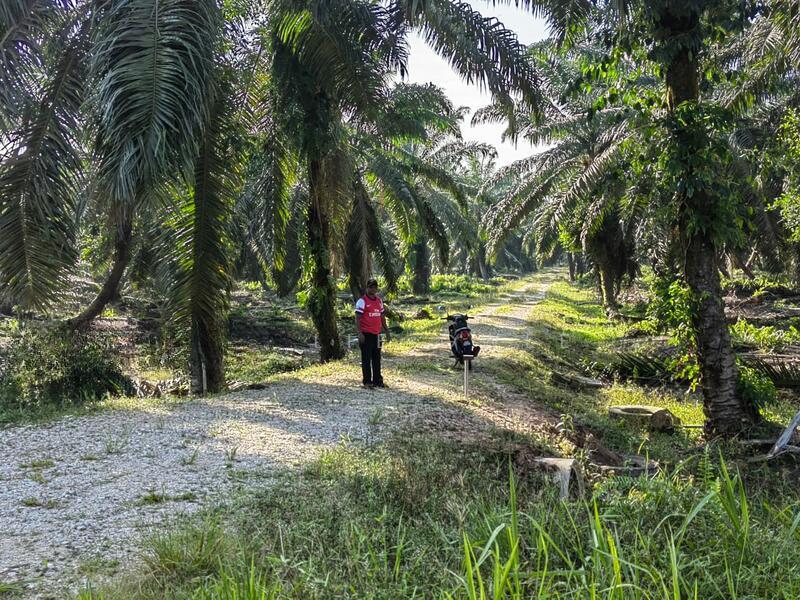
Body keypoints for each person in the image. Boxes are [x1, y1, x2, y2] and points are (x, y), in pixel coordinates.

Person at [355, 278, 391, 388]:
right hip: (366, 334)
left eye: (375, 287)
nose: (373, 289)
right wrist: (360, 333)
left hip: (377, 334)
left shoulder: (379, 301)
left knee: (377, 358)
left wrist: (386, 330)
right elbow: (357, 318)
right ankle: (367, 382)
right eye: (371, 287)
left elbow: (382, 316)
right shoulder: (362, 301)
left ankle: (377, 381)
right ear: (367, 288)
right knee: (366, 359)